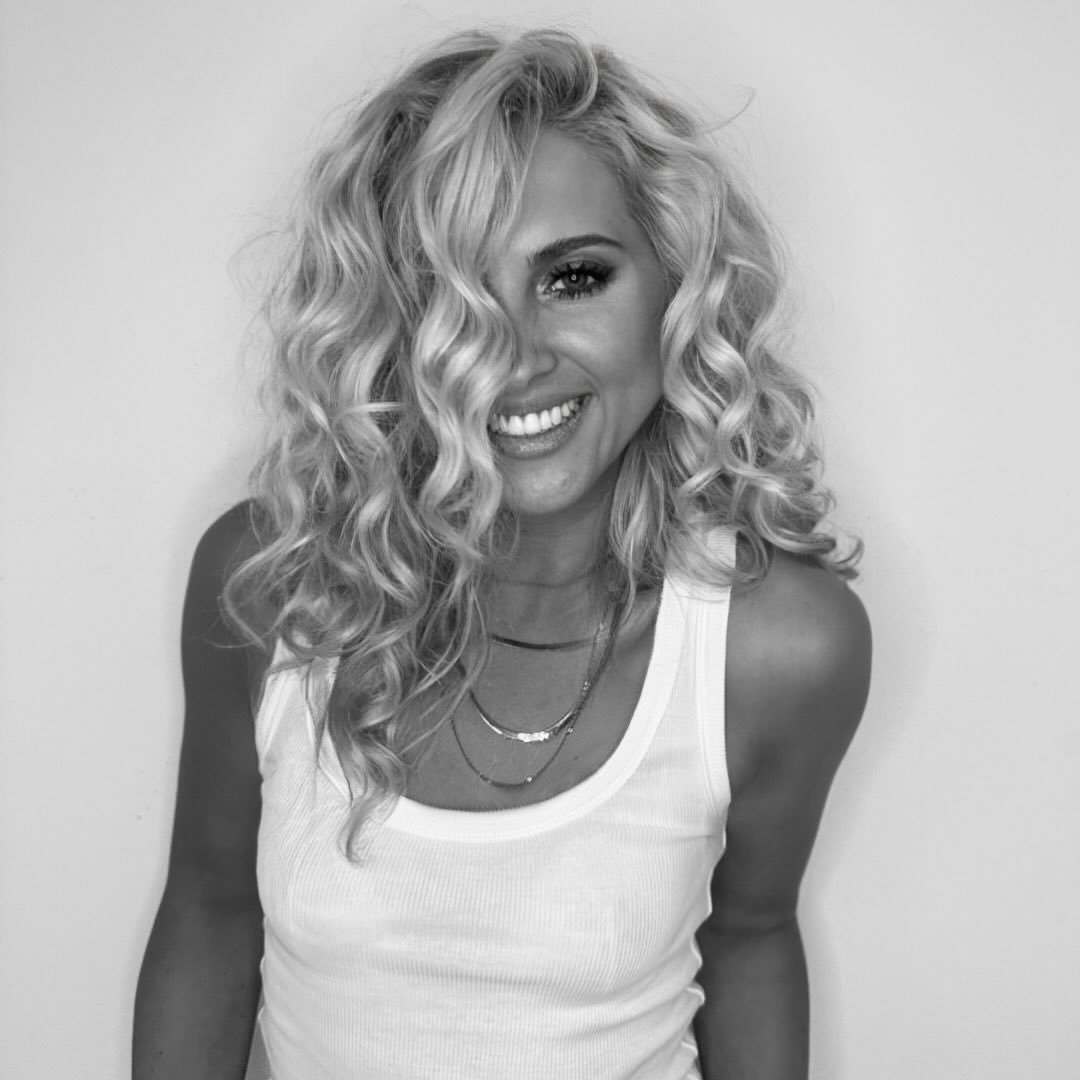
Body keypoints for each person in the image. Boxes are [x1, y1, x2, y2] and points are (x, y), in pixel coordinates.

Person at [133, 27, 871, 1080]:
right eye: (450, 291)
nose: (511, 358)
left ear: (676, 287)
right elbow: (211, 910)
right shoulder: (270, 584)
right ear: (386, 325)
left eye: (573, 277)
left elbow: (751, 935)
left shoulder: (778, 646)